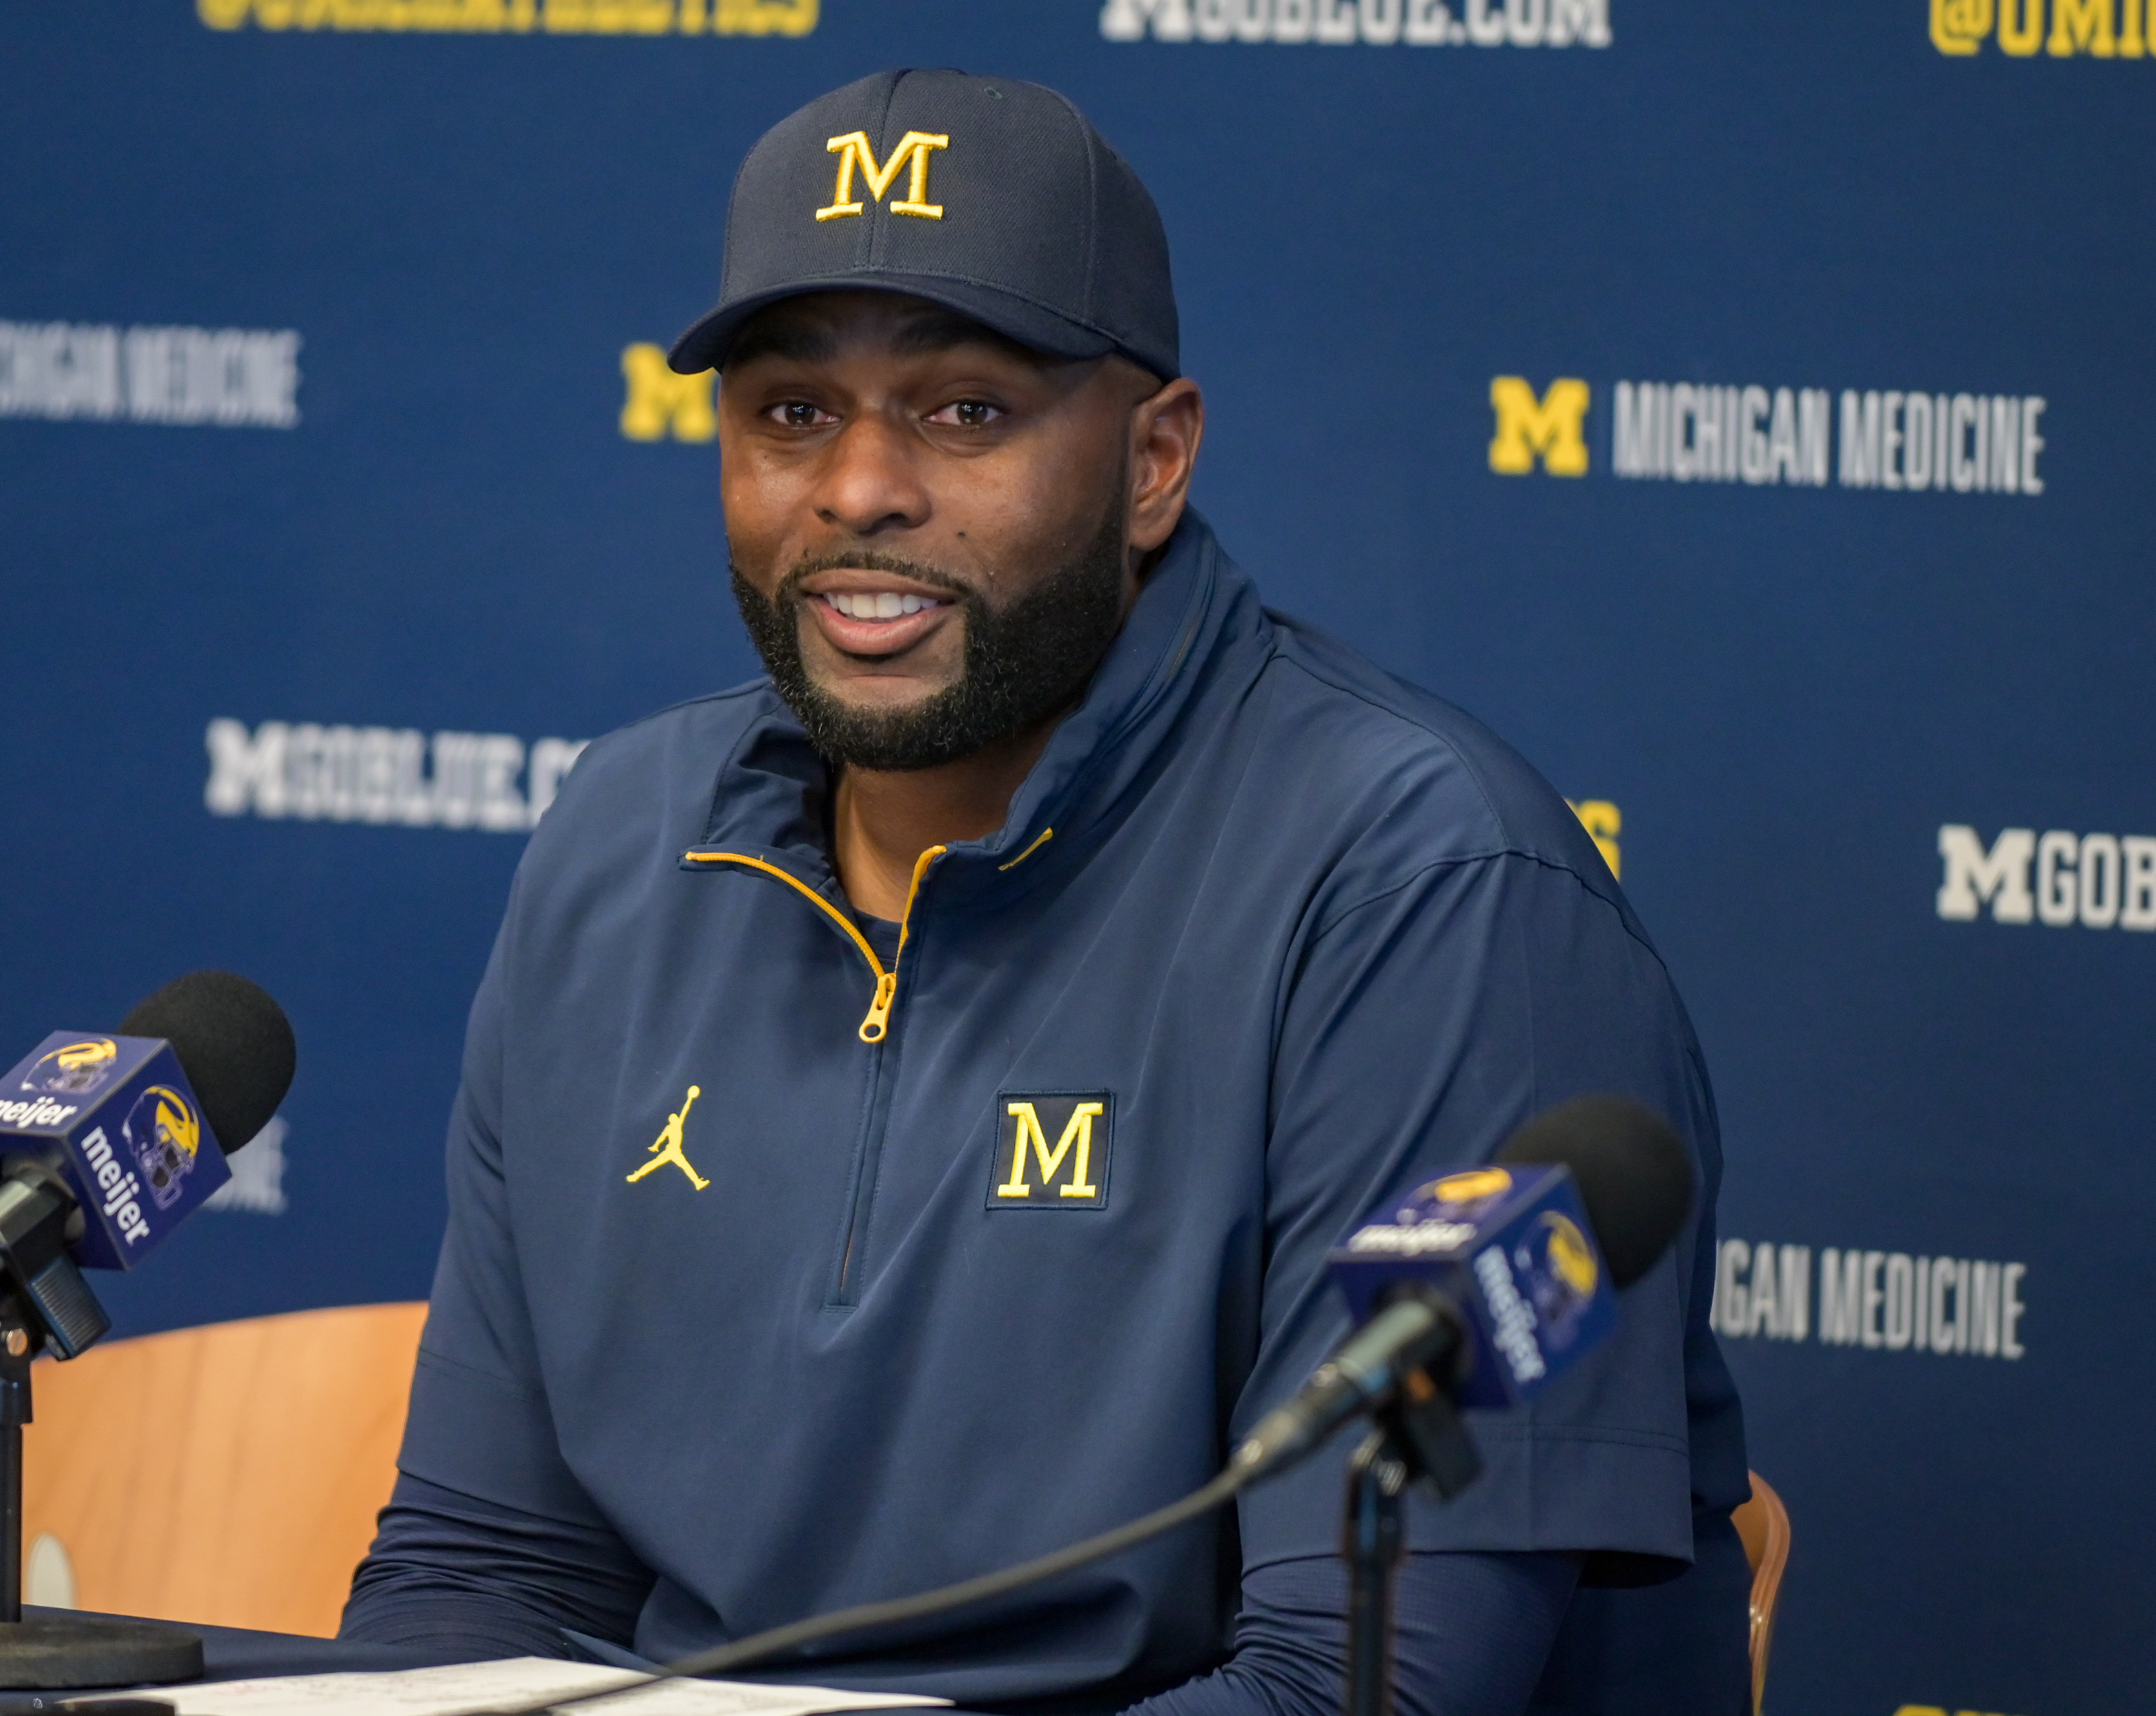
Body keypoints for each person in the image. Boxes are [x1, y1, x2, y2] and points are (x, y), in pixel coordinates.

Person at [343, 68, 1750, 1716]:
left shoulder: (1423, 886)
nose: (857, 487)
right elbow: (482, 1569)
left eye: (964, 411)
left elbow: (1359, 1685)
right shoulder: (616, 840)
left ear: (1151, 460)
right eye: (791, 411)